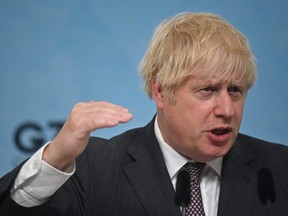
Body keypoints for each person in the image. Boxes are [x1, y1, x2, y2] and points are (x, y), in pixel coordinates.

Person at [0, 12, 288, 216]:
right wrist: (55, 159)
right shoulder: (91, 170)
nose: (227, 110)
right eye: (207, 90)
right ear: (161, 91)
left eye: (235, 90)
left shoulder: (280, 169)